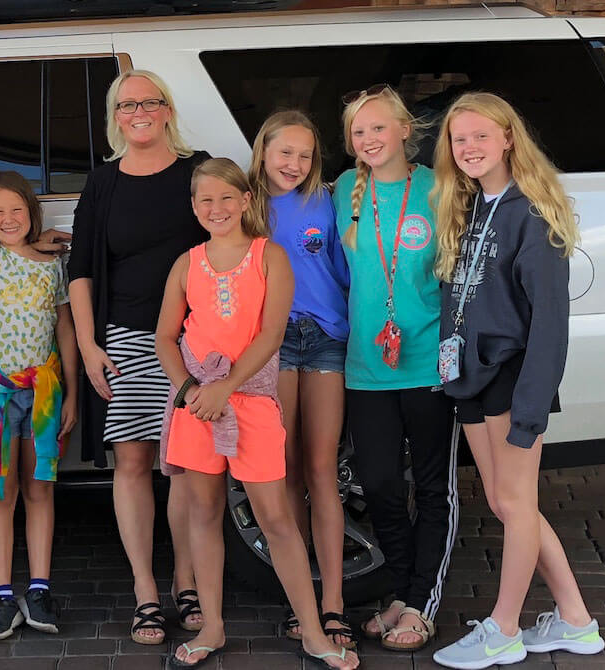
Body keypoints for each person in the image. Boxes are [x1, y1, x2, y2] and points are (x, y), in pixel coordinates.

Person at [154, 158, 358, 670]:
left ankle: (312, 631)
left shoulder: (271, 257)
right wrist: (189, 390)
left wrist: (228, 386)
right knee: (204, 514)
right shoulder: (187, 263)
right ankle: (214, 628)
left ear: (246, 200)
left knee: (278, 519)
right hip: (198, 405)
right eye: (205, 200)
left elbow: (271, 335)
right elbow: (164, 337)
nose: (216, 208)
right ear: (194, 207)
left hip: (250, 401)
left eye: (226, 197)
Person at [431, 92, 603, 669]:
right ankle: (576, 621)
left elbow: (550, 325)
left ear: (509, 139)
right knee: (511, 505)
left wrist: (530, 410)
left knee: (514, 501)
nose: (470, 148)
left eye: (482, 136)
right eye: (460, 139)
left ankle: (503, 629)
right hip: (471, 379)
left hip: (512, 377)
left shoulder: (533, 212)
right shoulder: (470, 207)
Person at [67, 69, 208, 644]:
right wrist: (88, 346)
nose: (139, 112)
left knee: (186, 469)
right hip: (124, 341)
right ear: (115, 116)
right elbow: (79, 270)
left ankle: (188, 582)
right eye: (128, 105)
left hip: (194, 341)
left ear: (168, 108)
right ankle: (145, 590)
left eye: (150, 101)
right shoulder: (102, 183)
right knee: (133, 464)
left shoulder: (196, 171)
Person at [332, 84, 458, 652]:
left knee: (433, 488)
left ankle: (421, 600)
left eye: (379, 128)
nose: (369, 140)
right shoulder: (342, 191)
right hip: (366, 367)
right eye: (359, 132)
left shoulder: (438, 187)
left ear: (406, 130)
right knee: (381, 484)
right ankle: (401, 595)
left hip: (429, 365)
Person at [247, 110, 354, 649]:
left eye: (305, 155)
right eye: (284, 152)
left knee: (321, 467)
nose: (294, 163)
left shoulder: (327, 200)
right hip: (275, 339)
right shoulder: (246, 205)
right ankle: (302, 602)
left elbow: (346, 263)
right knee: (283, 466)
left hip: (328, 336)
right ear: (263, 150)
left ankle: (333, 602)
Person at [0, 170, 80, 641]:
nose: (7, 219)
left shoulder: (52, 264)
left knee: (40, 489)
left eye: (16, 210)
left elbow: (65, 328)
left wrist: (72, 390)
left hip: (45, 394)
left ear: (31, 213)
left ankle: (38, 589)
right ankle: (0, 596)